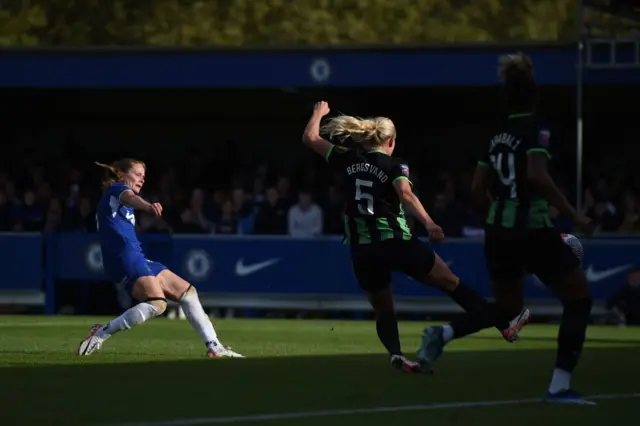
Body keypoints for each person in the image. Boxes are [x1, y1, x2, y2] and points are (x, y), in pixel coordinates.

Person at [302, 101, 526, 374]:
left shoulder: (347, 158)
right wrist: (429, 222)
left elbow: (310, 138)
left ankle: (396, 355)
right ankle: (505, 325)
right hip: (396, 242)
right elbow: (406, 195)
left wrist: (318, 114)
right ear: (391, 141)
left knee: (384, 309)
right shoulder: (395, 165)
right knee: (453, 285)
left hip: (362, 250)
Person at [471, 52, 596, 405]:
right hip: (532, 228)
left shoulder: (494, 136)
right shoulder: (536, 129)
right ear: (534, 94)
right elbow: (537, 176)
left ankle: (444, 333)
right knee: (579, 299)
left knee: (508, 311)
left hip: (499, 233)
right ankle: (559, 386)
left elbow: (476, 190)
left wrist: (497, 216)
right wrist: (575, 214)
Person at [77, 159, 243, 359]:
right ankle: (101, 333)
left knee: (188, 293)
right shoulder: (117, 189)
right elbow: (130, 197)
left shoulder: (118, 200)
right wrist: (147, 206)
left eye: (143, 177)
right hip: (123, 258)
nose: (141, 179)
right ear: (121, 175)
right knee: (158, 303)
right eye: (137, 174)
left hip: (135, 256)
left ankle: (215, 347)